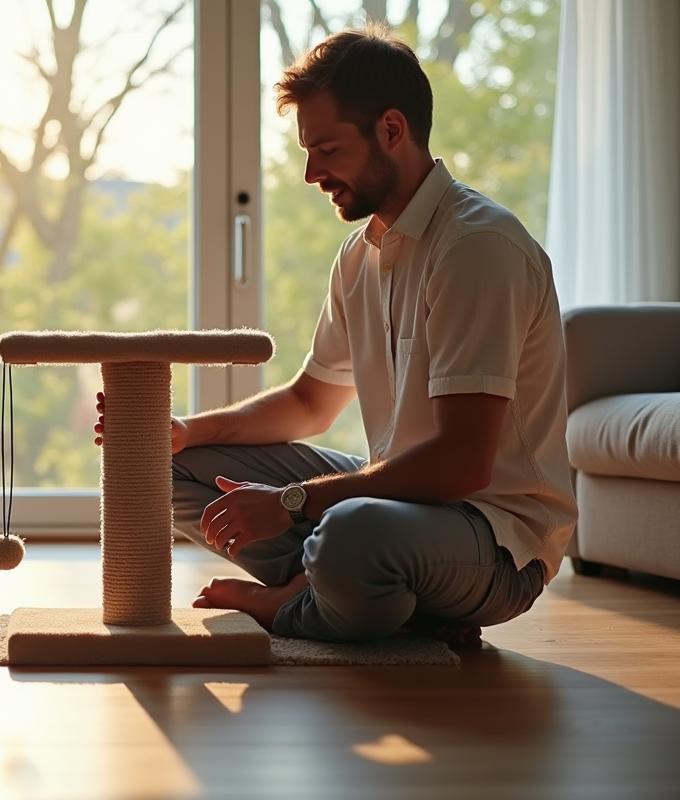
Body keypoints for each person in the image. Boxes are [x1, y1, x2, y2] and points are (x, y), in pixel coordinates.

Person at [95, 23, 576, 645]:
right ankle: (364, 594)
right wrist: (188, 431)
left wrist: (292, 502)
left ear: (392, 131)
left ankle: (293, 604)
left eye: (326, 149)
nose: (309, 173)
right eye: (306, 151)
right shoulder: (360, 255)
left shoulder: (476, 246)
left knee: (352, 533)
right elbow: (308, 404)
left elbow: (462, 465)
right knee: (176, 465)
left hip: (495, 539)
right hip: (399, 516)